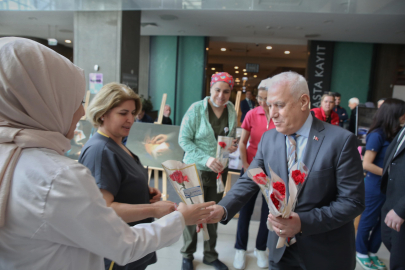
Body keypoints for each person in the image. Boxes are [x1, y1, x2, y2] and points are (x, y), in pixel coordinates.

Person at [0, 37, 214, 270]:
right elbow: (121, 241)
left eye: (133, 113)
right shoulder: (63, 173)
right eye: (74, 101)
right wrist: (178, 217)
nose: (81, 110)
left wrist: (141, 191)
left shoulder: (15, 158)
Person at [207, 71, 365, 270]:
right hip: (280, 252)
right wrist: (223, 208)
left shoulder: (340, 141)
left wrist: (303, 223)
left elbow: (353, 202)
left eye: (279, 105)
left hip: (325, 254)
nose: (272, 114)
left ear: (303, 102)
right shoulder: (269, 138)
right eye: (269, 105)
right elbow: (251, 178)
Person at [79, 83, 179, 270]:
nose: (130, 119)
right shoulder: (101, 150)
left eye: (133, 113)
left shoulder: (117, 144)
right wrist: (153, 210)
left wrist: (144, 192)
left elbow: (119, 184)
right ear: (103, 113)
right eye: (123, 113)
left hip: (132, 245)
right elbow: (104, 209)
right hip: (116, 253)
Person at [179, 72, 238, 270]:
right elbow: (183, 140)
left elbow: (231, 137)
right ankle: (187, 254)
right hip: (193, 171)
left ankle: (210, 255)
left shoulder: (231, 110)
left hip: (218, 173)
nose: (221, 96)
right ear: (210, 89)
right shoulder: (196, 109)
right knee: (191, 213)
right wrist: (206, 158)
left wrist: (232, 146)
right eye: (217, 90)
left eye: (226, 92)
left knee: (214, 213)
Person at [355, 98, 405, 270]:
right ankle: (361, 252)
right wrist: (389, 173)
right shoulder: (377, 135)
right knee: (368, 221)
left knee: (385, 224)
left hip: (389, 189)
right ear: (394, 114)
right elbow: (366, 164)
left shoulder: (396, 132)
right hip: (375, 186)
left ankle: (372, 251)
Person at [233, 79, 275, 270]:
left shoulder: (280, 115)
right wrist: (246, 165)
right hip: (250, 168)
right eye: (260, 98)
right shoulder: (251, 114)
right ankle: (240, 249)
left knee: (268, 213)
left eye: (266, 98)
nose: (263, 102)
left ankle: (260, 248)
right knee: (246, 210)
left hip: (273, 173)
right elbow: (243, 143)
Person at [380, 108, 405, 269]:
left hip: (401, 206)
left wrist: (401, 209)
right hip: (392, 199)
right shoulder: (402, 129)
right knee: (391, 245)